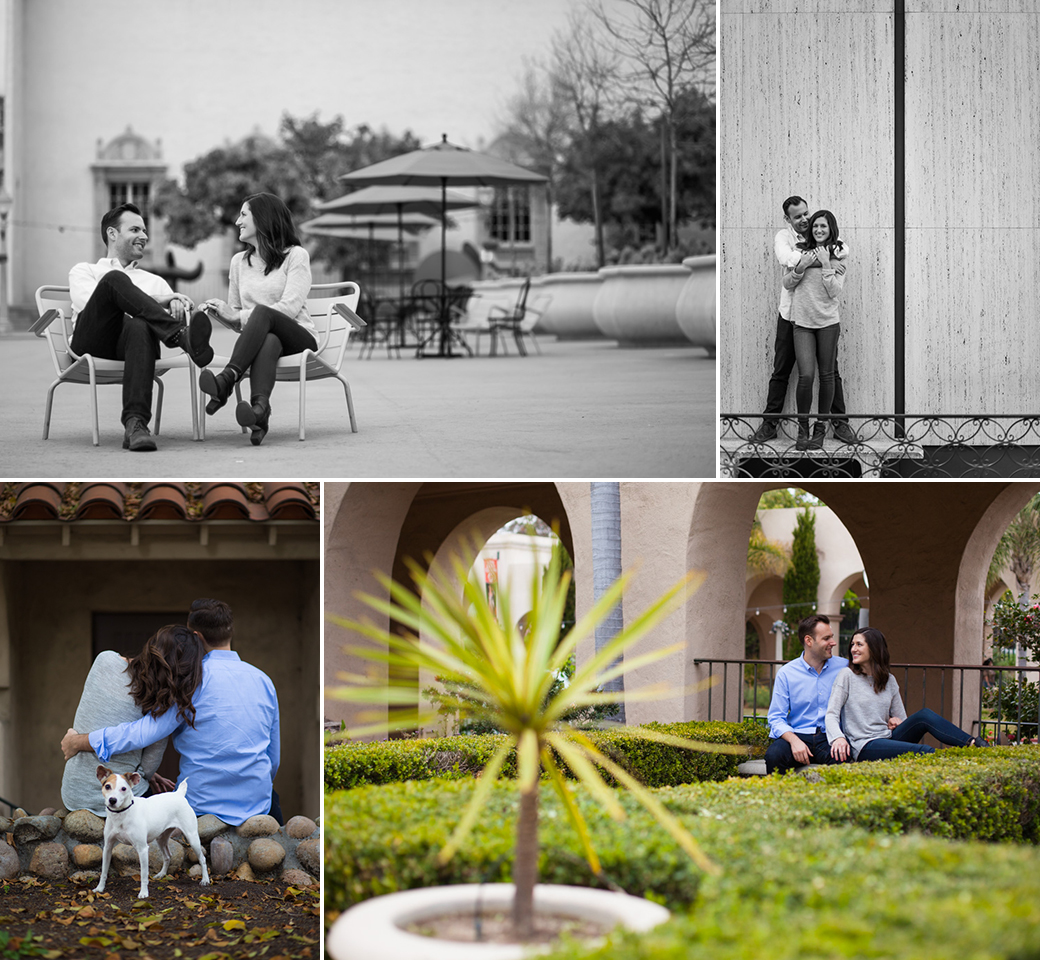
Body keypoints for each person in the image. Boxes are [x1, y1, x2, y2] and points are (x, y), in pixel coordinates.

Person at [61, 599, 282, 826]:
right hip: (257, 804)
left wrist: (79, 741)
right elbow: (273, 759)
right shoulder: (264, 681)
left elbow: (139, 734)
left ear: (196, 637)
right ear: (230, 632)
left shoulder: (189, 683)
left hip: (201, 805)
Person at [69, 202, 214, 451]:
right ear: (112, 234)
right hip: (90, 344)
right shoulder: (86, 271)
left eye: (144, 231)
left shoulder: (155, 281)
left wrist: (178, 304)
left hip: (135, 349)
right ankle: (181, 338)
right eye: (135, 229)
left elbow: (172, 315)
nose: (144, 236)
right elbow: (87, 303)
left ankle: (135, 425)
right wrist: (159, 302)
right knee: (114, 281)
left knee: (140, 325)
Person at [195, 193, 315, 446]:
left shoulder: (296, 256)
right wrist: (223, 312)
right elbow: (238, 318)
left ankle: (227, 379)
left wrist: (238, 315)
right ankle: (260, 412)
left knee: (262, 312)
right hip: (265, 340)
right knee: (269, 338)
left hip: (299, 337)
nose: (237, 221)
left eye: (243, 214)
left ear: (262, 218)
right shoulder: (238, 262)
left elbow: (290, 307)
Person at [61, 625, 205, 816]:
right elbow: (147, 768)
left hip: (75, 794)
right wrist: (142, 774)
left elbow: (93, 718)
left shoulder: (104, 660)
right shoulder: (162, 702)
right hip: (125, 799)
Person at [751, 196, 856, 446]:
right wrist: (808, 260)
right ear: (788, 219)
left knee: (830, 372)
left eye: (806, 214)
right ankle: (771, 423)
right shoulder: (785, 239)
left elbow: (842, 250)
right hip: (791, 315)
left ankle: (838, 423)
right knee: (784, 370)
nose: (805, 220)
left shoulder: (830, 247)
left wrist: (828, 261)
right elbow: (786, 259)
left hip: (825, 318)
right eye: (798, 216)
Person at [826, 627, 988, 762]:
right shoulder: (846, 676)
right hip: (864, 745)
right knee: (925, 751)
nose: (853, 648)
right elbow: (831, 714)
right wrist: (837, 738)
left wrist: (896, 721)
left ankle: (972, 743)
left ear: (874, 648)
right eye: (853, 644)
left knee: (924, 715)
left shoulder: (888, 680)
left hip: (888, 738)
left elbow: (902, 719)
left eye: (859, 644)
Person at [782, 209, 848, 451]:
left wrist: (826, 263)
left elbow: (834, 291)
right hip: (802, 324)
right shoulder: (799, 252)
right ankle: (803, 430)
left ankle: (821, 428)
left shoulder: (838, 256)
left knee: (827, 375)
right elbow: (787, 283)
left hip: (828, 323)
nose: (819, 230)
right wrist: (803, 266)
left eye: (824, 226)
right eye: (816, 226)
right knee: (806, 375)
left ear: (831, 229)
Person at [764, 614, 849, 774]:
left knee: (843, 758)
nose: (833, 642)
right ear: (809, 641)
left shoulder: (844, 667)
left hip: (830, 736)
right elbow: (776, 718)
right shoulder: (787, 673)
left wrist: (888, 716)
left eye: (832, 637)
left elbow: (868, 691)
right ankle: (781, 798)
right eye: (827, 638)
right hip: (798, 734)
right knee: (774, 756)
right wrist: (794, 741)